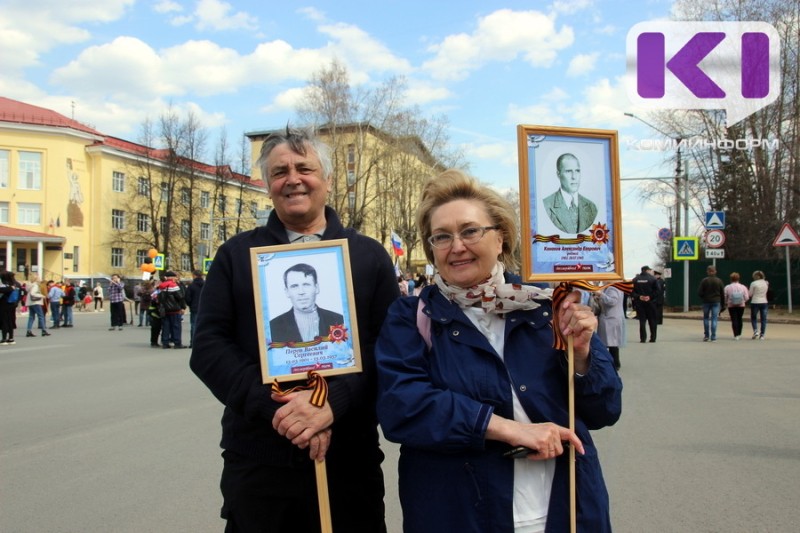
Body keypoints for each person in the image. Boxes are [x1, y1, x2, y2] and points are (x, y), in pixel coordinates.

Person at [375, 169, 621, 533]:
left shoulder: (546, 306)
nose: (457, 246)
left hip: (565, 510)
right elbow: (402, 406)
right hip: (459, 515)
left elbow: (605, 409)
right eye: (442, 236)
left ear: (501, 237)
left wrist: (583, 354)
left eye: (470, 231)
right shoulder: (412, 317)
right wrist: (508, 429)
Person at [190, 127, 399, 532]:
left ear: (328, 180)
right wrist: (281, 409)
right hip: (259, 462)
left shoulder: (368, 256)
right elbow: (210, 347)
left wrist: (331, 402)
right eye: (279, 172)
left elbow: (389, 347)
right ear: (267, 184)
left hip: (347, 460)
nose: (293, 179)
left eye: (305, 169)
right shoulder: (236, 255)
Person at [269, 263, 344, 343]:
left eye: (306, 285)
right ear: (287, 292)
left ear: (316, 288)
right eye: (294, 286)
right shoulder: (273, 327)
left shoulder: (339, 320)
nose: (301, 292)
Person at [542, 153, 598, 234]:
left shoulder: (591, 207)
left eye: (577, 171)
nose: (574, 177)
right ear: (558, 174)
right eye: (568, 171)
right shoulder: (546, 206)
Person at [595, 285, 626, 370]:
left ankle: (615, 363)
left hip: (610, 319)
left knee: (611, 343)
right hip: (611, 318)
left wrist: (600, 294)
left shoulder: (613, 288)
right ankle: (614, 362)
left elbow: (612, 301)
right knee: (612, 343)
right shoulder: (615, 287)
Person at [157, 271, 186, 349]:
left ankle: (165, 343)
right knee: (176, 327)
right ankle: (177, 343)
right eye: (174, 277)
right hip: (174, 309)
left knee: (166, 327)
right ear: (172, 277)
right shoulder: (173, 285)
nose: (175, 278)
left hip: (165, 309)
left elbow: (158, 297)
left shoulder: (161, 286)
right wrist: (183, 307)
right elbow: (180, 297)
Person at [698, 265, 725, 342]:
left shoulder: (704, 281)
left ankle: (706, 335)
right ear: (715, 271)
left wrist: (704, 297)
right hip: (716, 301)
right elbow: (722, 293)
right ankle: (713, 336)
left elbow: (699, 292)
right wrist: (723, 305)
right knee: (714, 318)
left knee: (706, 318)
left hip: (706, 301)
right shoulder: (719, 281)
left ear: (707, 272)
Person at [632, 265, 658, 343]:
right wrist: (649, 297)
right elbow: (657, 291)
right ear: (647, 270)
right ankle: (653, 338)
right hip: (651, 303)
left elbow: (631, 291)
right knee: (652, 320)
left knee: (642, 321)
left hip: (640, 303)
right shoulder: (653, 279)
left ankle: (643, 338)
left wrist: (639, 297)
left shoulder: (635, 279)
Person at [724, 272, 749, 340]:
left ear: (731, 279)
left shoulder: (727, 287)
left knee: (734, 319)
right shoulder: (743, 287)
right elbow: (746, 297)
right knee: (739, 318)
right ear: (738, 278)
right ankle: (739, 333)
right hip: (741, 305)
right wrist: (743, 301)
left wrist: (726, 302)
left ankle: (736, 334)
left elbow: (725, 296)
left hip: (731, 305)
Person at [0, 270, 21, 345]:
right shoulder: (16, 284)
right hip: (12, 304)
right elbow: (21, 293)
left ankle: (4, 339)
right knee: (11, 321)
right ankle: (11, 338)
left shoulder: (4, 285)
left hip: (3, 305)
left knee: (4, 321)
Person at [183, 270, 203, 346]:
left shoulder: (191, 286)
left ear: (194, 276)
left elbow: (187, 298)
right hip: (204, 308)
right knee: (204, 325)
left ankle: (193, 342)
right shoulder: (206, 285)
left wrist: (190, 304)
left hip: (194, 307)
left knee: (194, 325)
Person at [749, 270, 770, 340]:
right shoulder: (766, 283)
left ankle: (755, 331)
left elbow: (750, 294)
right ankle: (762, 334)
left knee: (753, 317)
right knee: (763, 319)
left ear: (757, 276)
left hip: (755, 301)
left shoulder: (753, 283)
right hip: (764, 301)